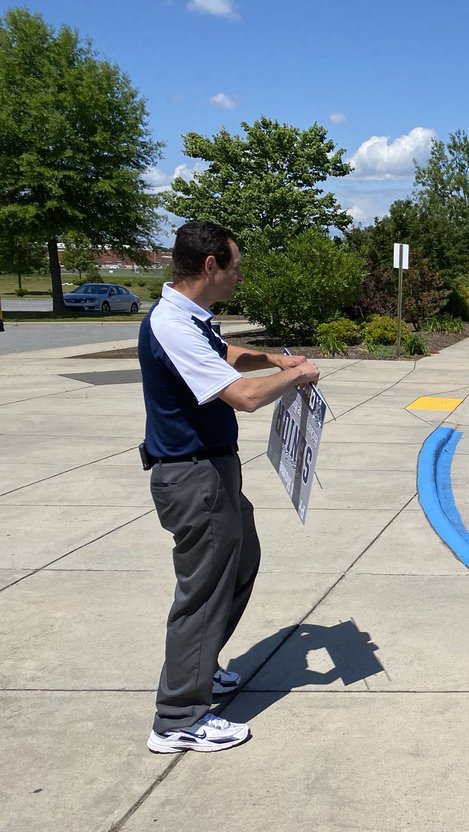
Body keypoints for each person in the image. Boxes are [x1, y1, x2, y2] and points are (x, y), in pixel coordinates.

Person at [139, 221, 320, 754]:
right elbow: (242, 396)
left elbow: (226, 355)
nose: (240, 276)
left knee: (240, 562)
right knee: (202, 591)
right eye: (236, 266)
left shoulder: (191, 318)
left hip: (212, 469)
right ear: (211, 266)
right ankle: (177, 717)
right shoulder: (172, 324)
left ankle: (200, 667)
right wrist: (298, 377)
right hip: (192, 475)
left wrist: (277, 359)